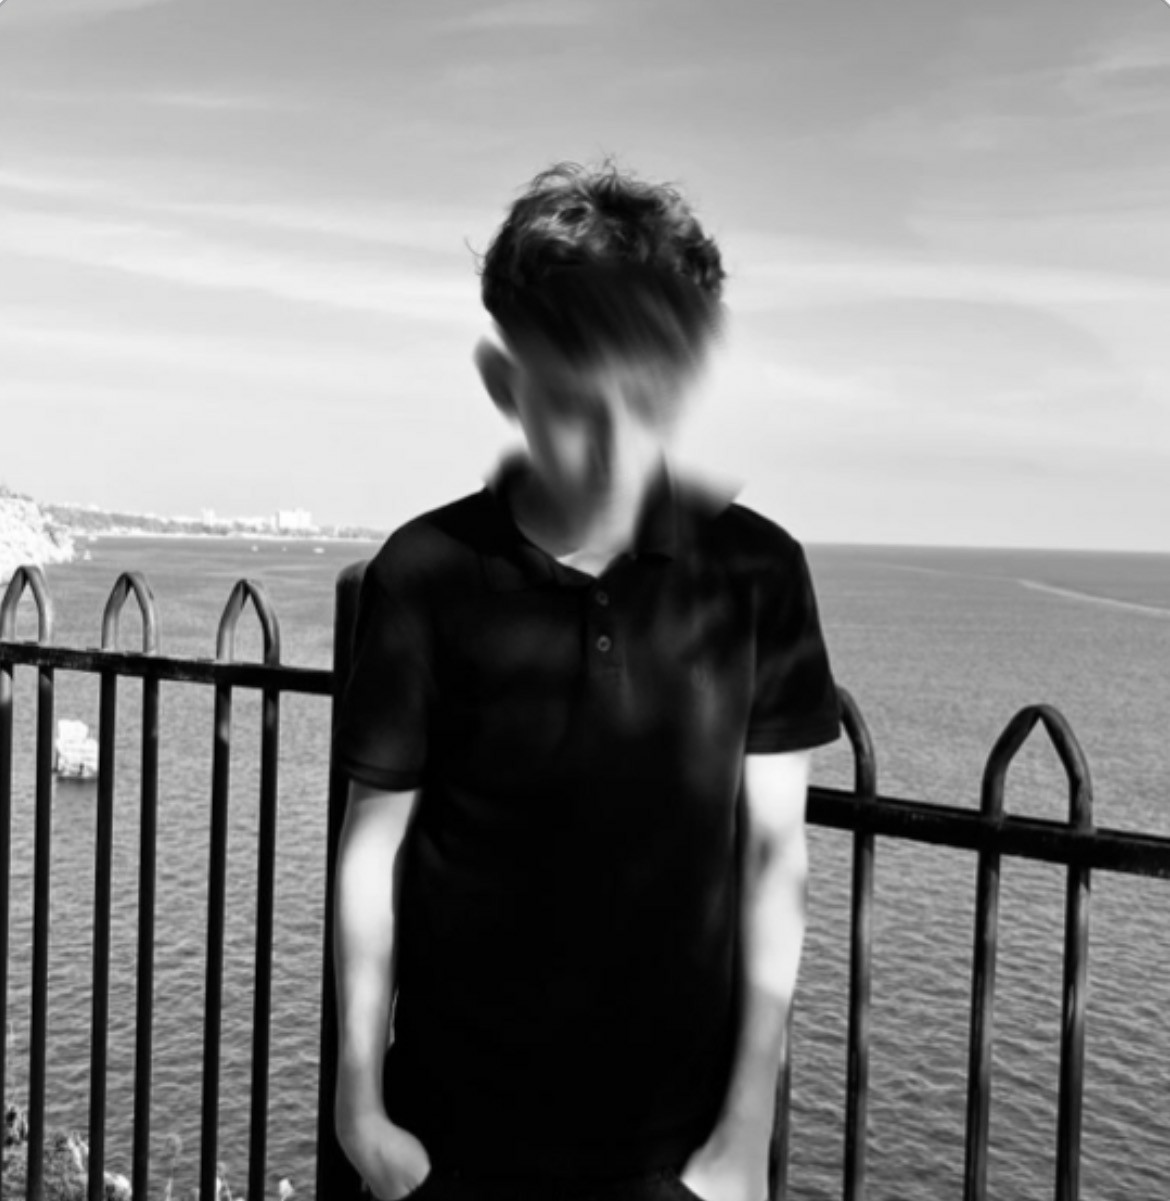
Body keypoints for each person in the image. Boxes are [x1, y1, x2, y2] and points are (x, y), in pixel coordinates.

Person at [331, 161, 841, 1201]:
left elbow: (776, 860)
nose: (612, 437)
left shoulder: (759, 574)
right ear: (506, 381)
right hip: (450, 1143)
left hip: (675, 1157)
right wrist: (361, 1112)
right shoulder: (424, 575)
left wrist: (744, 1133)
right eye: (573, 394)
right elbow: (372, 848)